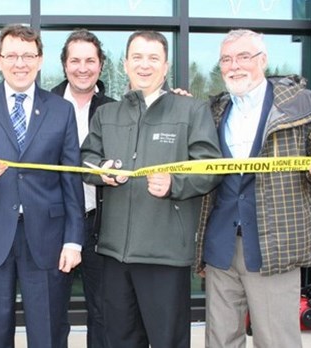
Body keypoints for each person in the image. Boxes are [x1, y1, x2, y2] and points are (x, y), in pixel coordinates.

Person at [195, 29, 311, 348]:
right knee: (220, 340)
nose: (234, 65)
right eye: (226, 59)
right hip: (221, 243)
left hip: (274, 244)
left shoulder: (298, 103)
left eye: (243, 56)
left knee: (277, 340)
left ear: (263, 60)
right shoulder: (216, 109)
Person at [80, 30, 222, 348]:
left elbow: (210, 168)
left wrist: (176, 183)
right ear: (125, 64)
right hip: (114, 252)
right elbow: (86, 158)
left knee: (166, 339)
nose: (145, 65)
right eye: (138, 57)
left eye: (153, 58)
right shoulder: (107, 114)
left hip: (165, 253)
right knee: (119, 338)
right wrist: (101, 173)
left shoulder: (191, 111)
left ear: (166, 66)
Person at [0, 24, 84, 348]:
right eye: (12, 55)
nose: (20, 63)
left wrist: (74, 240)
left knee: (48, 333)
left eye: (28, 55)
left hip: (47, 240)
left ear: (40, 60)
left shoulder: (61, 110)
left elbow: (71, 178)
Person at [50, 28, 114, 348]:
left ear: (100, 65)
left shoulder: (116, 110)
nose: (82, 67)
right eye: (75, 60)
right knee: (51, 313)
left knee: (103, 313)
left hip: (100, 225)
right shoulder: (44, 105)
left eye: (90, 60)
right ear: (64, 65)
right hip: (54, 224)